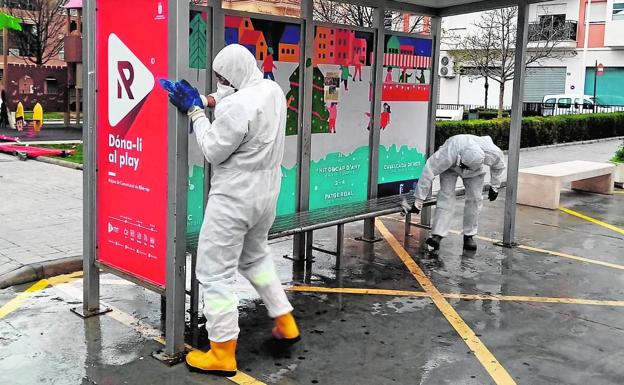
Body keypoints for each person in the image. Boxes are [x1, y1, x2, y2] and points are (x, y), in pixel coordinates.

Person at [161, 44, 300, 377]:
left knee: (213, 273)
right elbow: (236, 100)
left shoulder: (236, 106)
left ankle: (222, 350)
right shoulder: (271, 90)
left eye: (223, 78)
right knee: (255, 258)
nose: (220, 83)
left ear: (234, 77)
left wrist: (196, 112)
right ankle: (284, 318)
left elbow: (212, 149)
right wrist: (208, 100)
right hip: (266, 193)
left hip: (234, 197)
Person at [404, 134, 506, 251]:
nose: (464, 171)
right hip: (450, 167)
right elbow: (429, 170)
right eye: (464, 166)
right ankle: (437, 235)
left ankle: (469, 235)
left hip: (475, 172)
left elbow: (499, 166)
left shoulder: (491, 152)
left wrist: (495, 186)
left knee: (475, 199)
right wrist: (419, 200)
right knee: (445, 196)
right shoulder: (448, 152)